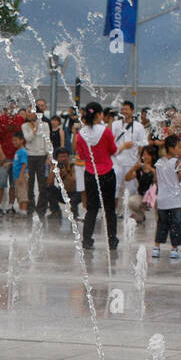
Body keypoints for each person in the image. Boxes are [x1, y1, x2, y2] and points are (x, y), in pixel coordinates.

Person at [74, 102, 118, 250]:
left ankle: (87, 239)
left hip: (90, 174)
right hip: (107, 173)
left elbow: (81, 155)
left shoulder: (81, 134)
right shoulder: (105, 131)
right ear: (99, 114)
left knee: (91, 209)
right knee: (109, 208)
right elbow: (113, 150)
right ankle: (112, 240)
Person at [151, 135, 181, 260]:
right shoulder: (177, 162)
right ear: (171, 149)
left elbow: (156, 179)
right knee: (175, 225)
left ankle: (156, 248)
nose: (180, 149)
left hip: (162, 199)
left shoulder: (159, 162)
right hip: (175, 200)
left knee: (161, 223)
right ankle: (174, 249)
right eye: (179, 147)